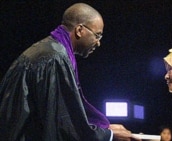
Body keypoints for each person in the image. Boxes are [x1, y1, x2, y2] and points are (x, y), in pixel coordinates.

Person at [0, 3, 140, 141]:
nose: (98, 43)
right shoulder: (54, 59)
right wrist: (108, 135)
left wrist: (103, 129)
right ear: (80, 30)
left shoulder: (47, 50)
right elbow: (63, 124)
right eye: (97, 35)